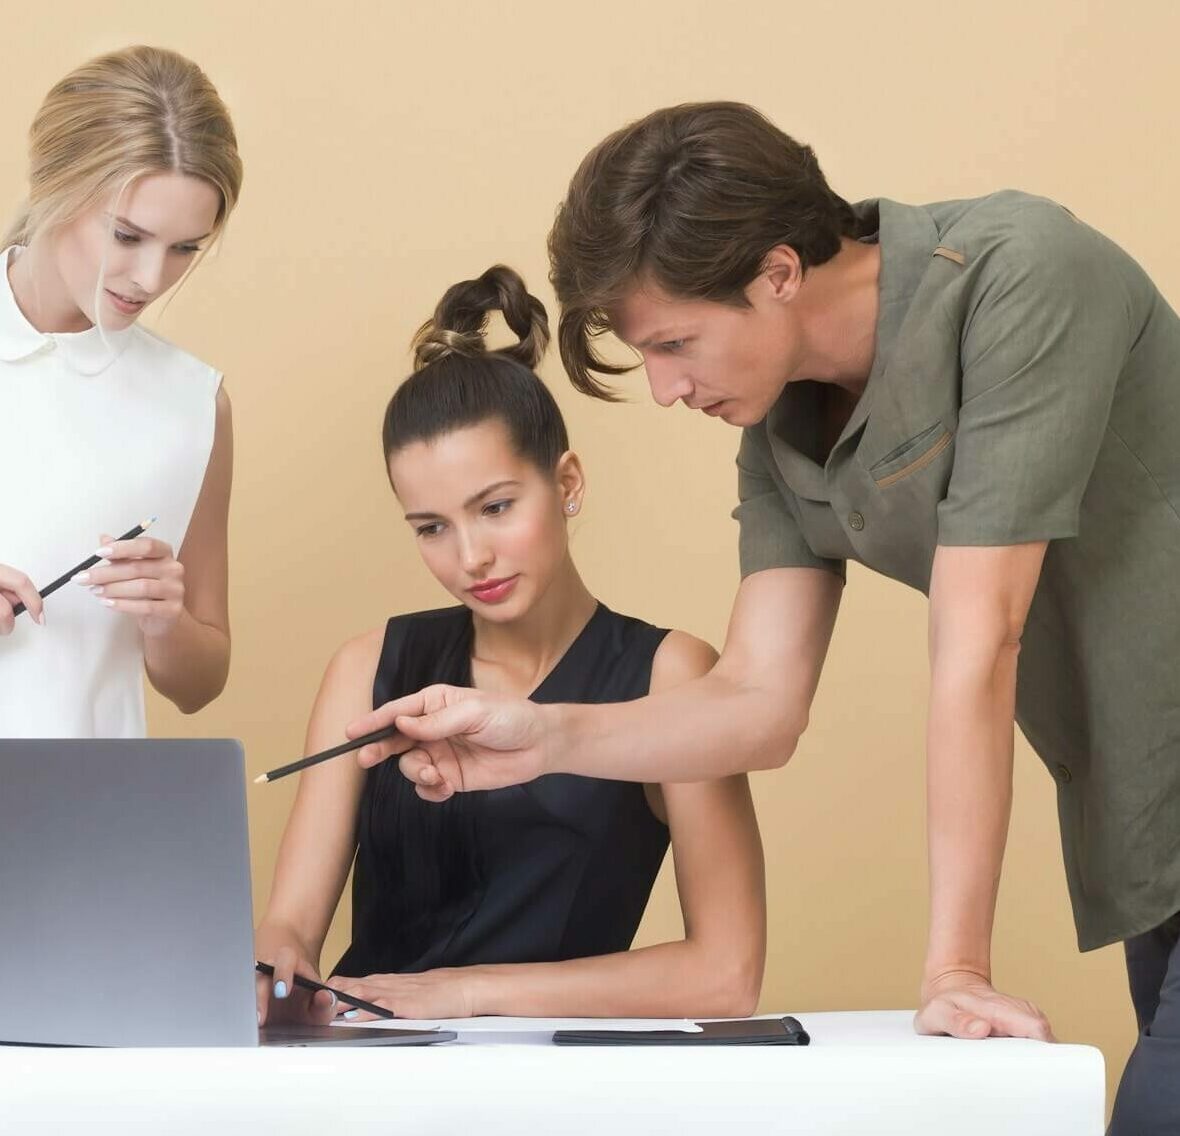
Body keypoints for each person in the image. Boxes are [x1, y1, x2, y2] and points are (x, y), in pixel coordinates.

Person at [351, 104, 1179, 1131]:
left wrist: (955, 967)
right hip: (1149, 825)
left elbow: (980, 642)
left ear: (777, 272)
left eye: (675, 343)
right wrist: (536, 736)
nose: (662, 388)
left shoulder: (1019, 276)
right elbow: (757, 702)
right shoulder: (782, 419)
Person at [255, 266, 765, 1025]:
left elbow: (725, 975)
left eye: (495, 507)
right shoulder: (368, 669)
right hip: (365, 1070)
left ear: (567, 483)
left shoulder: (670, 676)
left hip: (548, 1081)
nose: (470, 558)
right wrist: (276, 967)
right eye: (431, 527)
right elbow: (290, 927)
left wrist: (464, 994)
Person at [0, 45, 242, 736]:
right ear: (54, 185)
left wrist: (167, 621)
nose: (148, 277)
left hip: (83, 823)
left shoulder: (192, 405)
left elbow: (200, 684)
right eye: (127, 235)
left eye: (184, 248)